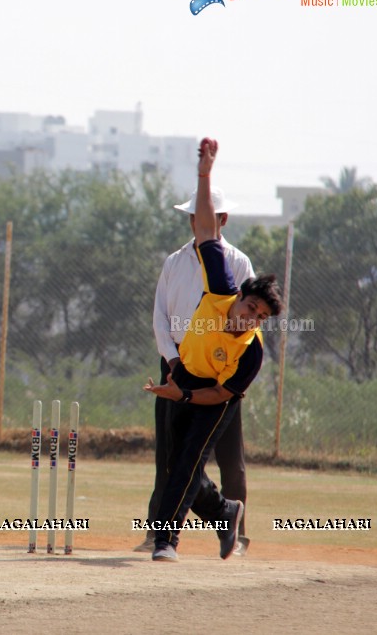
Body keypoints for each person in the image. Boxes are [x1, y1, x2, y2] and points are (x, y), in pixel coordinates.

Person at [143, 138, 282, 562]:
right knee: (176, 464)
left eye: (258, 315)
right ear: (237, 296)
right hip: (181, 368)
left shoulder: (251, 352)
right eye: (249, 307)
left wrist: (184, 395)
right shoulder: (221, 286)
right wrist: (204, 174)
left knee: (190, 461)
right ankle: (225, 513)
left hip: (215, 389)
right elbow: (206, 230)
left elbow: (222, 394)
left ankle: (166, 541)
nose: (248, 316)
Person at [136, 186, 255, 556]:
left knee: (229, 459)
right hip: (175, 366)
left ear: (223, 219)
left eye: (203, 215)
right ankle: (160, 533)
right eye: (192, 216)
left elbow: (248, 323)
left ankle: (237, 535)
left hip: (220, 372)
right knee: (172, 457)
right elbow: (161, 317)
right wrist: (172, 362)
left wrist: (232, 374)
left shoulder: (236, 262)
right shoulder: (174, 261)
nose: (196, 222)